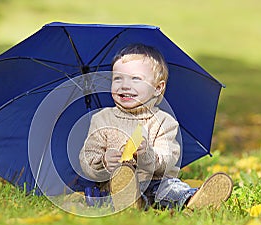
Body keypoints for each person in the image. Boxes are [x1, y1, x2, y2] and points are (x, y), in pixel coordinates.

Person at [79, 43, 232, 210]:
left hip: (155, 183)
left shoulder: (165, 122)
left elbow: (168, 161)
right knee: (109, 191)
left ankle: (193, 200)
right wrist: (103, 161)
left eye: (135, 79)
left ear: (158, 88)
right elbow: (87, 157)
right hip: (114, 185)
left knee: (171, 188)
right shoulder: (102, 119)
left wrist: (146, 154)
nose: (124, 85)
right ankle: (130, 200)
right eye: (117, 78)